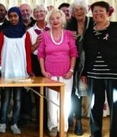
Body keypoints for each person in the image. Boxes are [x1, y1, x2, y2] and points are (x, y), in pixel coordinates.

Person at [38, 8, 77, 137]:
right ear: (48, 21)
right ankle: (53, 126)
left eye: (57, 18)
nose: (55, 21)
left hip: (66, 73)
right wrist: (43, 71)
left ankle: (63, 126)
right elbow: (41, 55)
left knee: (65, 101)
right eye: (52, 18)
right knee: (51, 101)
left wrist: (71, 70)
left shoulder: (69, 34)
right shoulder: (44, 35)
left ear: (62, 20)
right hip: (50, 74)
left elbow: (73, 54)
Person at [0, 6, 32, 135]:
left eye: (15, 16)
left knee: (18, 99)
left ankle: (14, 123)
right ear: (8, 17)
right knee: (5, 99)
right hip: (7, 70)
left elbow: (28, 53)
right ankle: (2, 122)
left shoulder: (25, 33)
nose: (12, 19)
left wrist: (29, 70)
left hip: (20, 71)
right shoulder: (3, 33)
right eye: (10, 16)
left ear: (19, 17)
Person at [83, 1, 117, 137]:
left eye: (100, 11)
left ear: (108, 12)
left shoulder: (115, 27)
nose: (97, 13)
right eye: (95, 11)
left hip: (114, 74)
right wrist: (84, 72)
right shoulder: (89, 31)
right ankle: (95, 133)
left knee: (115, 106)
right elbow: (86, 53)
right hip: (94, 74)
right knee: (94, 106)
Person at [65, 0, 94, 135]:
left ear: (85, 10)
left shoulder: (92, 21)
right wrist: (71, 39)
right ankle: (78, 122)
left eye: (81, 9)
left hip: (91, 63)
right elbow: (64, 42)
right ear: (72, 12)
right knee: (74, 95)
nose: (79, 12)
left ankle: (94, 123)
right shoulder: (69, 23)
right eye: (76, 10)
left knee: (91, 95)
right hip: (73, 63)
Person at [26, 4, 49, 128]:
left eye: (42, 11)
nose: (39, 14)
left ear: (46, 13)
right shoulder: (29, 32)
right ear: (33, 15)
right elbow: (27, 51)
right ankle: (41, 123)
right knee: (39, 94)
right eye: (37, 12)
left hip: (51, 61)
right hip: (35, 62)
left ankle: (52, 122)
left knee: (51, 93)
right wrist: (36, 44)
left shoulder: (53, 27)